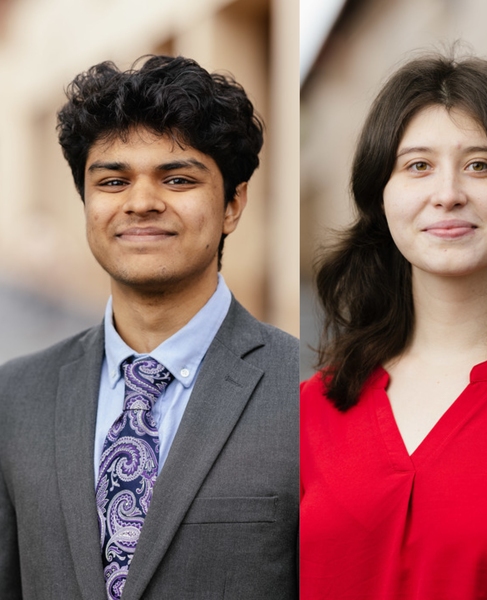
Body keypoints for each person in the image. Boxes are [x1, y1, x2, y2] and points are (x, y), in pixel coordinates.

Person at [300, 54, 487, 599]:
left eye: (481, 165)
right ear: (381, 196)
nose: (448, 193)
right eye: (417, 166)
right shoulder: (309, 410)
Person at [0, 56, 299, 600]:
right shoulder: (14, 398)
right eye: (113, 180)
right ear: (87, 202)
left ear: (233, 204)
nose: (141, 203)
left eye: (178, 178)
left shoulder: (307, 390)